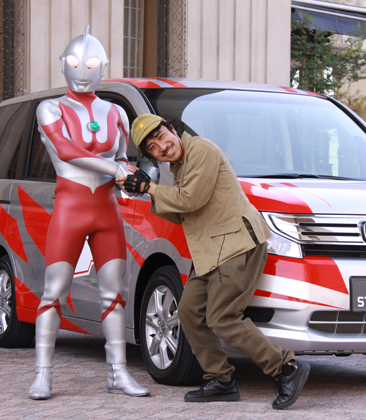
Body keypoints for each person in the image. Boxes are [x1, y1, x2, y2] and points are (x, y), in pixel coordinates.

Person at [116, 114, 309, 410]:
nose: (162, 147)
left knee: (222, 317)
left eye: (161, 136)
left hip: (234, 244)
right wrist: (144, 190)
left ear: (172, 128)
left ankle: (285, 368)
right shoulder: (180, 165)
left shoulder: (201, 150)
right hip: (210, 250)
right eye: (152, 148)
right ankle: (220, 379)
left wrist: (150, 188)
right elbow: (183, 213)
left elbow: (190, 199)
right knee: (189, 312)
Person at [28, 26, 149, 400]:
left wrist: (129, 176)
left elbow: (124, 159)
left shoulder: (116, 112)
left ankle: (118, 372)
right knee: (53, 292)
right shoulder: (50, 108)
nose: (83, 71)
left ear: (103, 66)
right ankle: (43, 374)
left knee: (114, 294)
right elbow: (65, 150)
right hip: (71, 207)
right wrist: (115, 169)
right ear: (63, 64)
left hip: (107, 210)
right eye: (76, 62)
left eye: (92, 63)